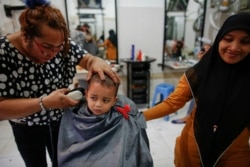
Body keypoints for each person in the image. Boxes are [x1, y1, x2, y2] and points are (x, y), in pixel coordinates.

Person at [0, 1, 119, 167]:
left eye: (59, 47)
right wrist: (44, 103)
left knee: (64, 162)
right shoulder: (4, 53)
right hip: (27, 128)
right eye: (47, 47)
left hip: (62, 121)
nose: (54, 53)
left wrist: (96, 61)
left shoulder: (63, 46)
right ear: (26, 36)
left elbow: (89, 59)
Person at [143, 13, 250, 166]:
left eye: (245, 41)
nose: (234, 47)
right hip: (193, 150)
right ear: (219, 39)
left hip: (234, 155)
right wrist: (139, 117)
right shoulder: (200, 73)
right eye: (228, 39)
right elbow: (172, 103)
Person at [57, 73, 153, 167]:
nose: (98, 104)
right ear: (86, 95)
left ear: (114, 101)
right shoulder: (75, 113)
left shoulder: (120, 117)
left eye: (105, 100)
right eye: (93, 98)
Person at [171, 43, 211, 124]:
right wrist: (201, 60)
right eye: (203, 49)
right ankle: (189, 116)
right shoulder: (203, 62)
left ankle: (189, 117)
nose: (204, 51)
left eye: (208, 50)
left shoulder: (214, 63)